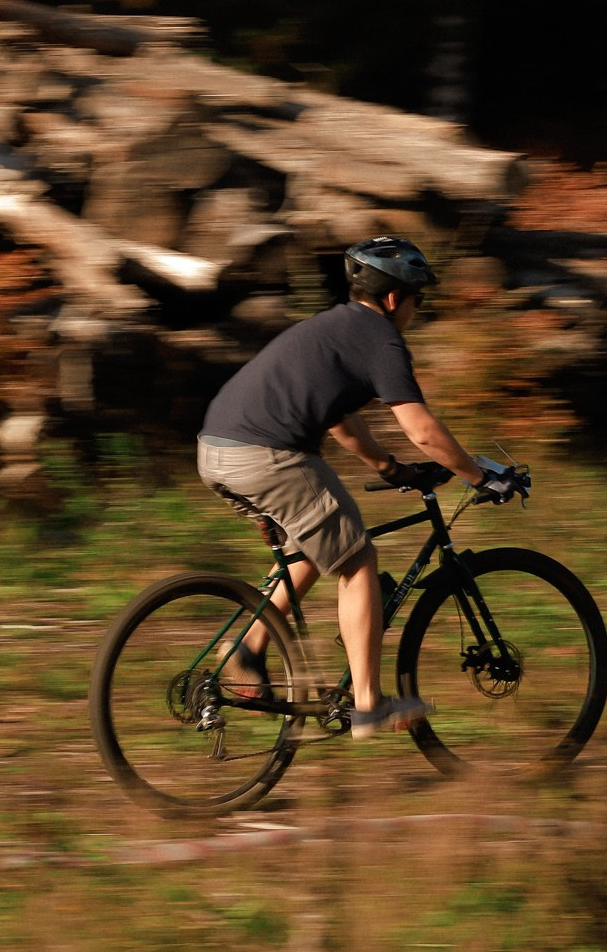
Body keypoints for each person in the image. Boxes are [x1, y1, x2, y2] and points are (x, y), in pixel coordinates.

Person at [196, 236, 520, 737]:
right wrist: (482, 476)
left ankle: (247, 647)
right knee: (357, 559)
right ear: (394, 298)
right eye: (418, 298)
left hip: (216, 451)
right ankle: (369, 703)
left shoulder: (332, 327)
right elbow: (423, 430)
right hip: (266, 454)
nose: (418, 309)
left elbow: (341, 422)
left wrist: (390, 469)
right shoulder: (381, 338)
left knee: (310, 547)